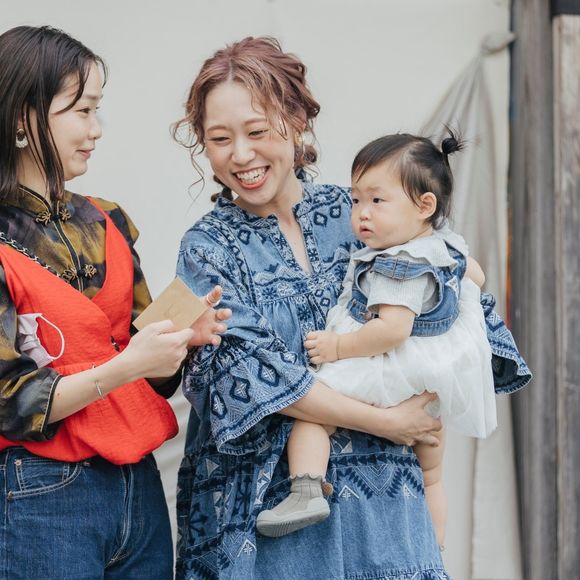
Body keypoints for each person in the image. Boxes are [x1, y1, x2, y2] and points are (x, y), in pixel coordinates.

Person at [174, 36, 530, 580]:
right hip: (263, 514)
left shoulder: (365, 212)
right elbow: (248, 380)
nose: (240, 155)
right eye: (220, 139)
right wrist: (388, 420)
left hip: (385, 502)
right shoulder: (207, 248)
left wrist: (429, 378)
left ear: (296, 121)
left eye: (257, 131)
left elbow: (463, 311)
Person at [0, 25, 230, 579]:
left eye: (97, 109)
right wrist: (128, 364)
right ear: (22, 118)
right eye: (81, 110)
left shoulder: (108, 220)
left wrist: (178, 339)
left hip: (138, 482)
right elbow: (10, 402)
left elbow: (147, 370)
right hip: (39, 490)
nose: (96, 129)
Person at [255, 131, 513, 547]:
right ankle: (435, 543)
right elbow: (477, 277)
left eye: (377, 200)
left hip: (392, 370)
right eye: (356, 200)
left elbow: (392, 330)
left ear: (424, 206)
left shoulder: (399, 266)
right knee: (432, 475)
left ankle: (306, 488)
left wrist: (337, 347)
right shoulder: (443, 246)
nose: (362, 213)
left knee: (314, 412)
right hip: (433, 380)